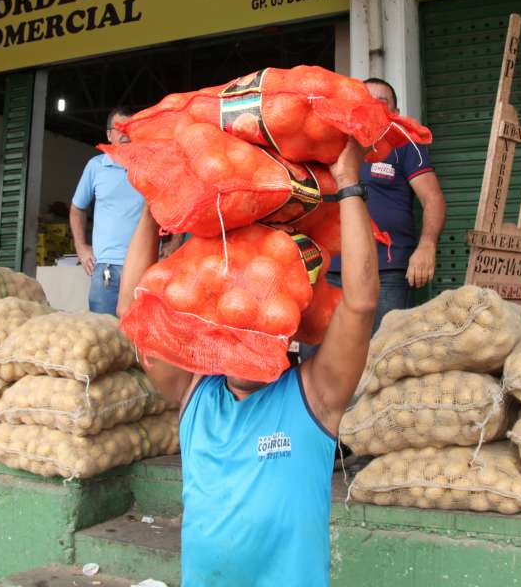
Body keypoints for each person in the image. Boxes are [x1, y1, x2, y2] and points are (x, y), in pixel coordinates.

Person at [118, 137, 378, 587]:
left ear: (285, 332)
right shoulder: (193, 394)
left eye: (257, 323)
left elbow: (359, 302)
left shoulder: (315, 397)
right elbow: (133, 312)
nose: (243, 335)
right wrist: (152, 207)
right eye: (234, 321)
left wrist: (349, 184)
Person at [327, 77, 446, 334]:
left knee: (383, 356)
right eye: (365, 101)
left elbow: (432, 198)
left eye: (382, 103)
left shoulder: (404, 144)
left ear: (396, 113)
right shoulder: (334, 144)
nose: (373, 108)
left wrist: (427, 246)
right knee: (319, 357)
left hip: (387, 270)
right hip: (333, 268)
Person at [70, 106, 145, 315]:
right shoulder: (96, 166)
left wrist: (173, 243)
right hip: (106, 270)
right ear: (109, 135)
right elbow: (77, 209)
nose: (125, 133)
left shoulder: (150, 167)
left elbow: (173, 205)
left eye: (130, 127)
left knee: (139, 340)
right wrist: (81, 246)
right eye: (119, 128)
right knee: (105, 337)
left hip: (144, 267)